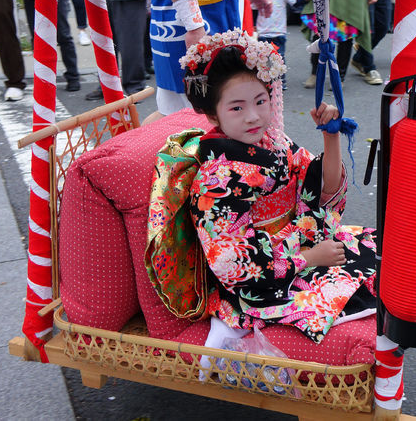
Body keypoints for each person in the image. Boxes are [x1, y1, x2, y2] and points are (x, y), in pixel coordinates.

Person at [149, 30, 377, 343]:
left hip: (297, 246)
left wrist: (331, 135)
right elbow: (233, 265)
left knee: (378, 253)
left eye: (261, 101)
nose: (254, 116)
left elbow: (322, 190)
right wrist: (309, 259)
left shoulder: (274, 142)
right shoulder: (217, 180)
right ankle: (228, 330)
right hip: (259, 282)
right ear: (214, 113)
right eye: (237, 108)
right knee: (351, 286)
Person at [254, 0, 299, 70]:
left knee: (279, 58)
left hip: (278, 33)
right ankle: (266, 84)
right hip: (263, 33)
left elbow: (295, 1)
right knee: (263, 60)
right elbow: (253, 9)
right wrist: (253, 25)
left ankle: (280, 83)